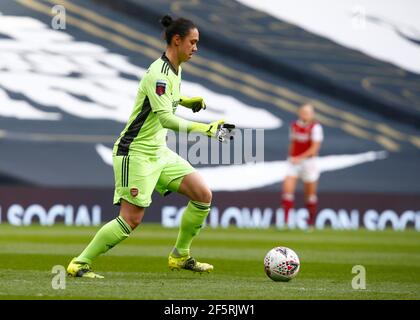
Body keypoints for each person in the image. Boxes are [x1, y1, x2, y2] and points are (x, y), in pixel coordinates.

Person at [67, 15, 234, 278]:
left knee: (203, 195)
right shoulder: (159, 72)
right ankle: (80, 263)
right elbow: (165, 117)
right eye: (193, 42)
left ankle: (180, 256)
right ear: (177, 40)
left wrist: (187, 100)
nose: (196, 47)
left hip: (158, 151)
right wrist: (205, 128)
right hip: (135, 152)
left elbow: (165, 99)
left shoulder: (174, 69)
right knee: (131, 219)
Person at [281, 104, 323, 229]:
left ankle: (310, 223)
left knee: (309, 195)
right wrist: (290, 157)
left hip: (308, 163)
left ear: (312, 114)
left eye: (308, 112)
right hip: (293, 162)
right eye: (303, 111)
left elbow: (314, 148)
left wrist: (299, 158)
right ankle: (286, 223)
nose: (305, 114)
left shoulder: (316, 127)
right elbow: (293, 143)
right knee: (287, 191)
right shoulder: (294, 126)